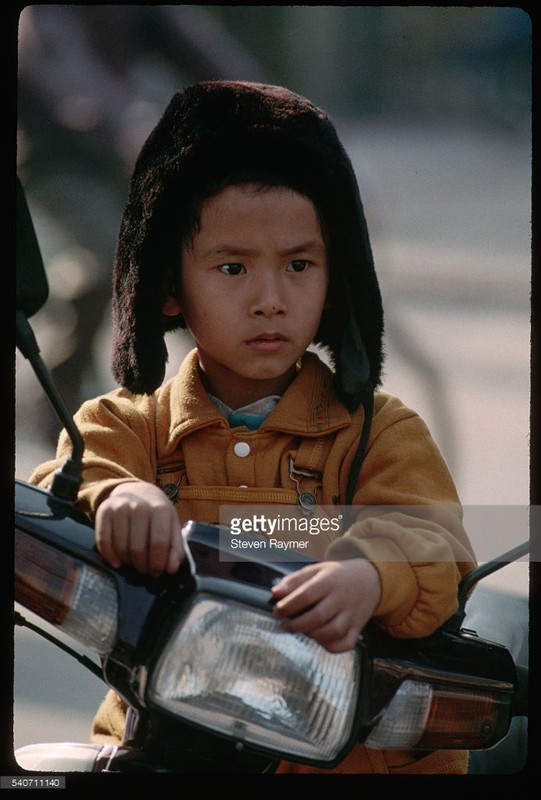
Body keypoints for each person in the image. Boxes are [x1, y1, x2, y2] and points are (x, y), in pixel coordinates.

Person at [29, 80, 476, 775]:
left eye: (299, 265)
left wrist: (369, 573)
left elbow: (436, 541)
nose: (270, 300)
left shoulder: (379, 435)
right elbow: (66, 485)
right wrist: (121, 498)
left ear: (336, 277)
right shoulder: (125, 426)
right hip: (163, 754)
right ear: (169, 285)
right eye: (232, 267)